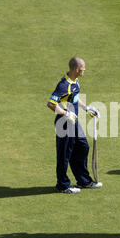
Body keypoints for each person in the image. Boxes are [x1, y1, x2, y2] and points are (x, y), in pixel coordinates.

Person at [47, 57, 103, 193]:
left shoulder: (75, 82)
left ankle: (83, 181)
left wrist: (86, 108)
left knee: (83, 146)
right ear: (77, 69)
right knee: (64, 154)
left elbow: (75, 98)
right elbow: (50, 103)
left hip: (74, 122)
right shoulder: (63, 85)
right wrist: (65, 114)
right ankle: (63, 185)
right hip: (64, 124)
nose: (85, 69)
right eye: (83, 67)